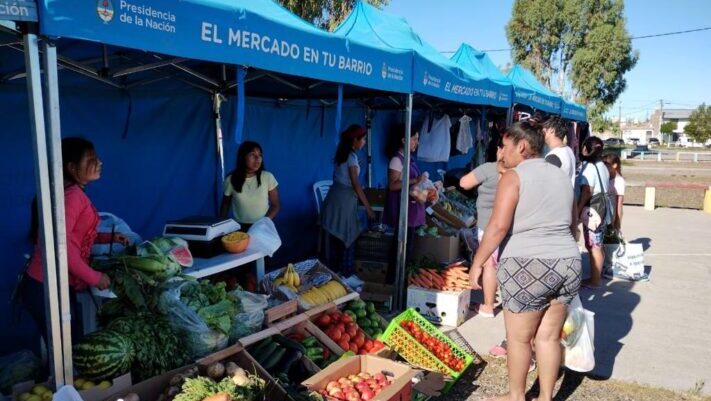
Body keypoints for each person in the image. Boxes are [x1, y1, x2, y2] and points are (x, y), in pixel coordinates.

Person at [470, 122, 581, 401]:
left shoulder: (513, 177)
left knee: (519, 338)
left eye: (505, 147)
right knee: (548, 336)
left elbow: (497, 227)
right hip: (567, 261)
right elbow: (573, 223)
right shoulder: (560, 175)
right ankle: (545, 397)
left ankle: (516, 396)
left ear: (521, 146)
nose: (501, 154)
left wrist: (478, 262)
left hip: (528, 266)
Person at [20, 137, 126, 345]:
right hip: (47, 287)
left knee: (67, 347)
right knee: (65, 351)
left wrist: (109, 237)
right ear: (71, 167)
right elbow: (62, 247)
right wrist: (94, 277)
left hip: (48, 286)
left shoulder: (71, 193)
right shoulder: (73, 197)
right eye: (91, 159)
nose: (99, 163)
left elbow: (75, 235)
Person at [459, 138, 506, 318]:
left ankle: (488, 305)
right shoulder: (518, 171)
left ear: (500, 150)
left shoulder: (489, 168)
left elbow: (464, 183)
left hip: (488, 225)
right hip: (510, 226)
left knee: (489, 264)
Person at [321, 125, 376, 276]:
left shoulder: (341, 154)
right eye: (363, 139)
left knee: (334, 241)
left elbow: (339, 179)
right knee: (347, 236)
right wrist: (368, 208)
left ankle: (333, 275)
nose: (364, 142)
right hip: (343, 203)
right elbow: (356, 185)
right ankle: (345, 276)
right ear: (354, 140)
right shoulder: (351, 157)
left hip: (333, 200)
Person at [383, 124, 427, 271]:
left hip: (411, 209)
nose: (417, 142)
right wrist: (415, 180)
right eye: (414, 139)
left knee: (407, 249)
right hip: (403, 210)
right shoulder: (396, 160)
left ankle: (401, 279)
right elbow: (393, 185)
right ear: (404, 140)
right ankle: (394, 282)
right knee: (400, 249)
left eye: (417, 139)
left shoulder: (409, 159)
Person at [220, 141, 280, 231]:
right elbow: (225, 204)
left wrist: (263, 222)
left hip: (262, 226)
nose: (257, 158)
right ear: (242, 158)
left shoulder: (267, 177)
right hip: (239, 228)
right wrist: (221, 226)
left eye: (260, 155)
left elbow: (276, 205)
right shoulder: (231, 179)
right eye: (252, 155)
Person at [576, 136, 610, 289]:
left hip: (592, 210)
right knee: (598, 243)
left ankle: (595, 280)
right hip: (602, 208)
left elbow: (586, 191)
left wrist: (577, 210)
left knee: (592, 245)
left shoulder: (589, 167)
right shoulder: (602, 165)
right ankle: (598, 276)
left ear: (587, 149)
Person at [542, 116, 576, 187]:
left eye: (544, 130)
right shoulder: (568, 150)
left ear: (552, 130)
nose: (542, 133)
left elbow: (545, 184)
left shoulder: (554, 156)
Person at [603, 153, 625, 231]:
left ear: (615, 165)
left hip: (611, 215)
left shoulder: (619, 181)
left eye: (606, 165)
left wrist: (618, 223)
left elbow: (619, 203)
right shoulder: (606, 178)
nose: (604, 167)